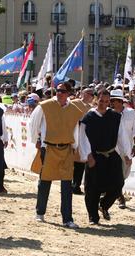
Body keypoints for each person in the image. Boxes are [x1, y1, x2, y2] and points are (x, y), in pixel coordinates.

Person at [29, 82, 84, 229]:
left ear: (69, 93)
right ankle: (40, 212)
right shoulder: (45, 106)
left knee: (67, 185)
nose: (59, 93)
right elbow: (33, 123)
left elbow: (75, 129)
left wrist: (75, 146)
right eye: (58, 90)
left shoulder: (73, 109)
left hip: (66, 149)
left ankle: (67, 218)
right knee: (45, 181)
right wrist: (36, 140)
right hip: (49, 147)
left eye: (63, 91)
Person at [79, 90, 132, 225]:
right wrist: (88, 155)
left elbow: (122, 136)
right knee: (92, 188)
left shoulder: (115, 117)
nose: (103, 104)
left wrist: (127, 153)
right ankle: (93, 217)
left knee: (118, 184)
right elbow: (82, 138)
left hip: (111, 155)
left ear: (110, 102)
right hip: (95, 156)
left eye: (107, 101)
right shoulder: (89, 117)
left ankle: (104, 205)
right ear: (97, 100)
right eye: (101, 101)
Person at [110, 89, 135, 209]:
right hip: (113, 149)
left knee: (124, 174)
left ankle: (114, 194)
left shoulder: (131, 113)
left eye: (113, 100)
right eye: (111, 100)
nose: (111, 103)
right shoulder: (108, 113)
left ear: (120, 101)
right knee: (117, 175)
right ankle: (120, 197)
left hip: (127, 149)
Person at [71, 88, 94, 195]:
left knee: (80, 163)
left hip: (85, 136)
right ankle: (69, 184)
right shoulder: (74, 103)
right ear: (83, 94)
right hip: (74, 135)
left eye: (92, 94)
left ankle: (76, 185)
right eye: (89, 93)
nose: (91, 96)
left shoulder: (91, 108)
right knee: (72, 162)